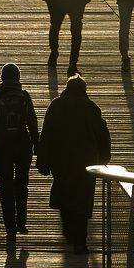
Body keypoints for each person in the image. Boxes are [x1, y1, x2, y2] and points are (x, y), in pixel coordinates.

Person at [36, 74, 110, 254]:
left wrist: (42, 159)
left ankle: (68, 230)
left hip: (60, 159)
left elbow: (46, 134)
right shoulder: (91, 107)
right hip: (86, 160)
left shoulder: (55, 105)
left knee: (64, 192)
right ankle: (80, 241)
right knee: (83, 200)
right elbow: (103, 135)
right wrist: (104, 159)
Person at [0, 63, 39, 248]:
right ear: (18, 78)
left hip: (2, 145)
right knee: (22, 182)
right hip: (22, 144)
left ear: (2, 77)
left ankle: (10, 230)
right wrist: (37, 145)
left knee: (5, 185)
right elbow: (32, 122)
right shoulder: (24, 96)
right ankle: (21, 221)